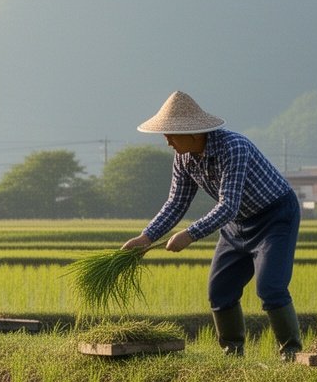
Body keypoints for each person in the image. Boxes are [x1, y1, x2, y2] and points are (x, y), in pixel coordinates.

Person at [122, 91, 303, 359]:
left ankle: (291, 353)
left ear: (194, 133)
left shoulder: (234, 147)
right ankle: (232, 352)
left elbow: (228, 204)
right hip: (236, 224)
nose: (167, 141)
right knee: (220, 291)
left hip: (274, 218)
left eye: (171, 133)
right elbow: (176, 203)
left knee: (270, 288)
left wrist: (190, 234)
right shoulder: (184, 157)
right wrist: (146, 237)